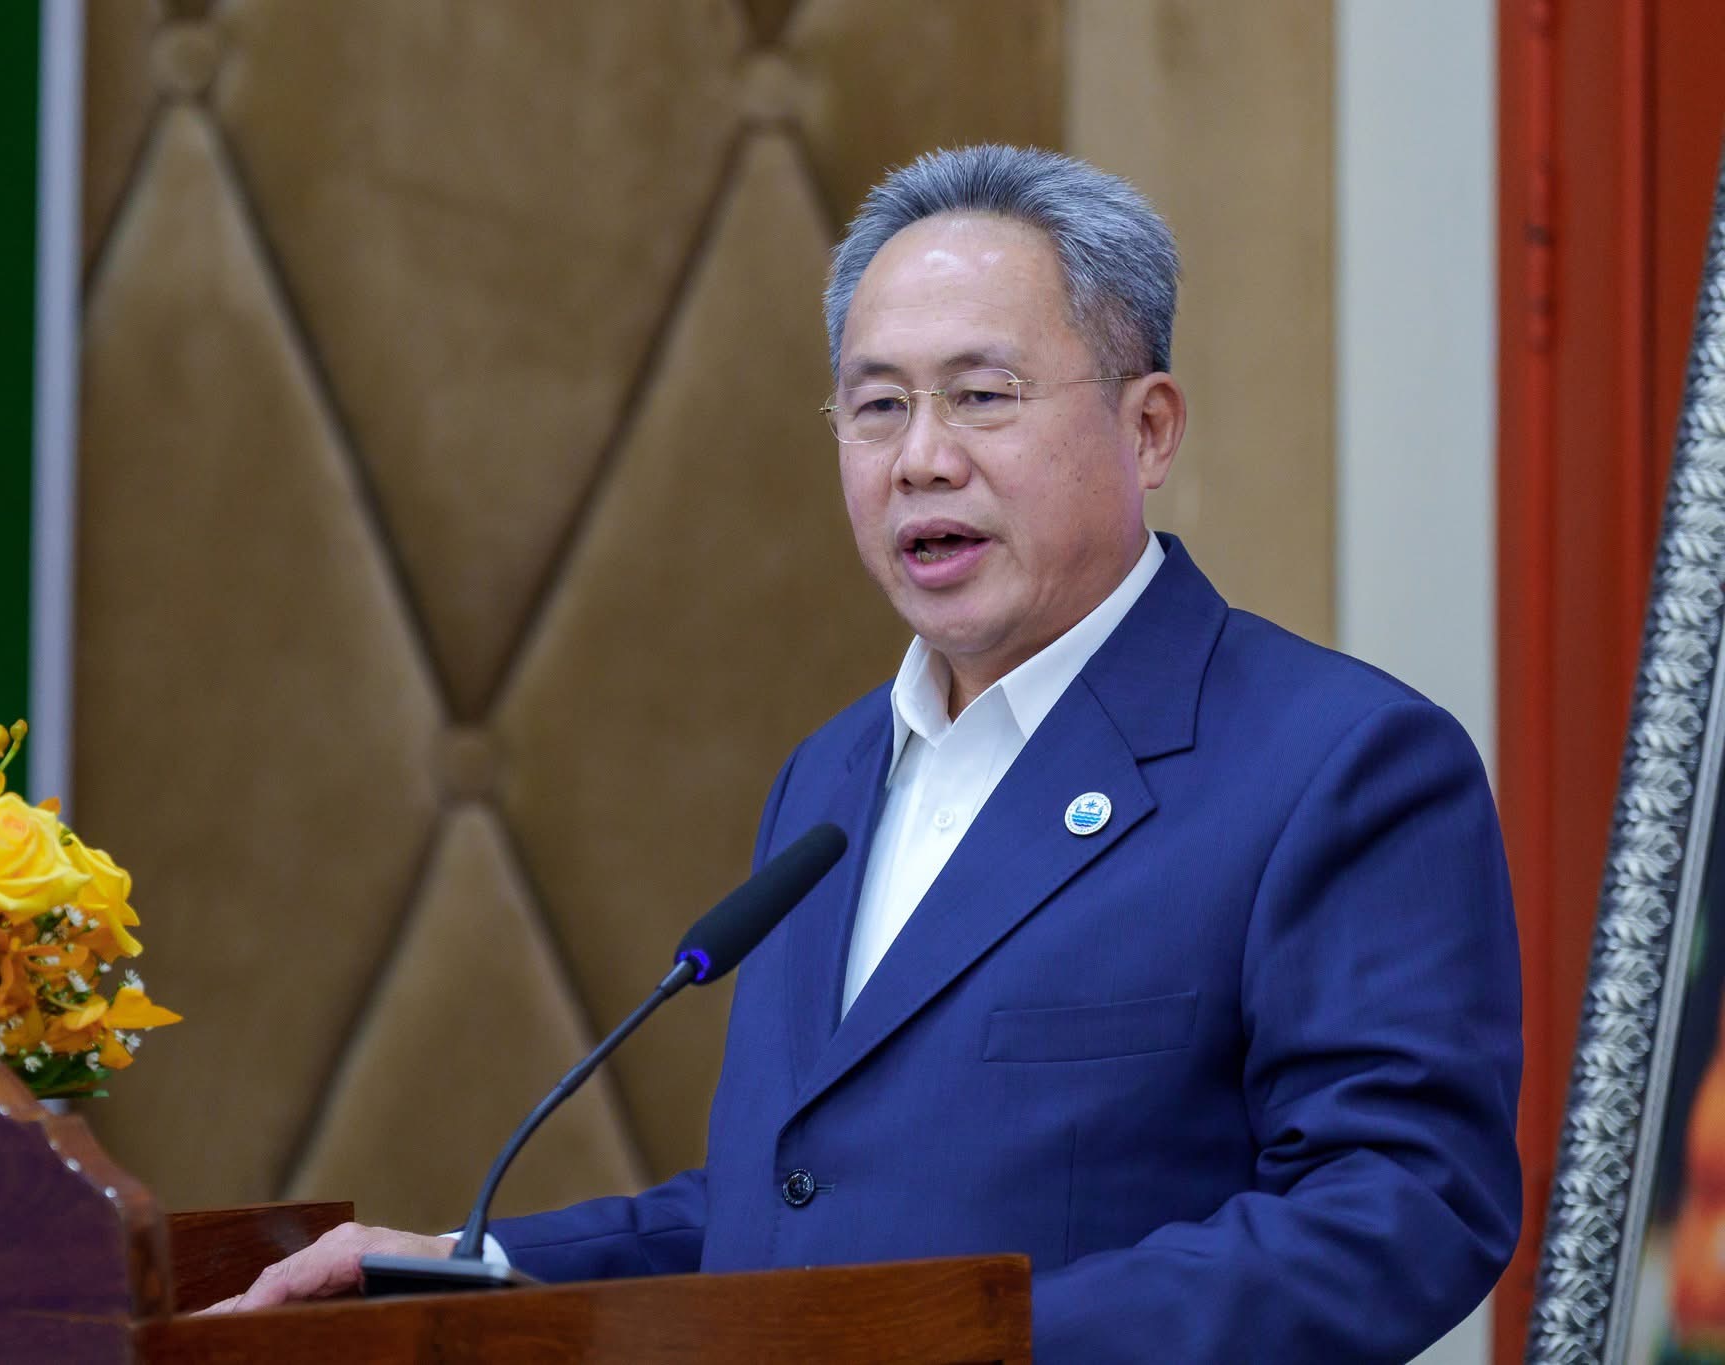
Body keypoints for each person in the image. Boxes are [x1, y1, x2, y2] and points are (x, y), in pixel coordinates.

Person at [207, 145, 1522, 1363]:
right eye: (877, 406)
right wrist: (469, 1267)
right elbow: (795, 1210)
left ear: (1149, 428)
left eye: (982, 397)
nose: (922, 459)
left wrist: (953, 1342)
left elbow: (1398, 1210)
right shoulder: (830, 779)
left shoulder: (1338, 765)